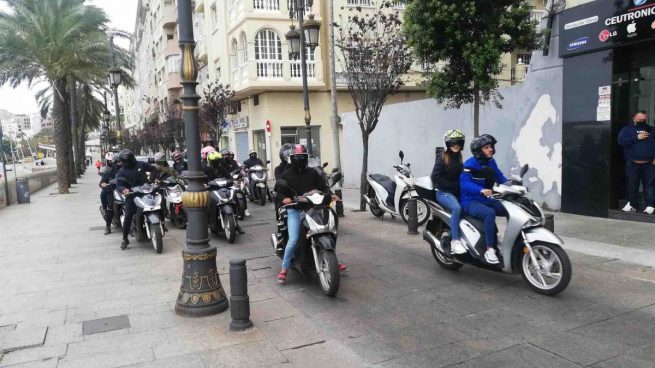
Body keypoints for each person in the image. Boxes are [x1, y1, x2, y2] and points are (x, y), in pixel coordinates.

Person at [275, 144, 345, 283]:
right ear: (291, 158)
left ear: (307, 158)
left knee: (328, 230)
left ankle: (331, 259)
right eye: (297, 157)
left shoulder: (313, 173)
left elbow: (323, 187)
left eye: (303, 157)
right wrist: (285, 199)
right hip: (295, 208)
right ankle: (284, 268)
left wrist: (330, 195)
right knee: (294, 238)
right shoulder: (286, 174)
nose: (300, 159)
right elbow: (279, 191)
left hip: (313, 207)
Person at [459, 134, 508, 265]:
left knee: (510, 209)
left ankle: (508, 242)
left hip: (486, 199)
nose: (490, 149)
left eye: (491, 146)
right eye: (486, 147)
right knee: (489, 213)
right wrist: (480, 190)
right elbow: (464, 183)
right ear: (479, 150)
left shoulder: (491, 161)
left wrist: (514, 185)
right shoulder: (470, 163)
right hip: (470, 201)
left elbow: (500, 177)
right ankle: (490, 249)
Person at [431, 129, 467, 255]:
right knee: (457, 208)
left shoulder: (459, 157)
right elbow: (434, 177)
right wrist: (453, 186)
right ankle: (455, 241)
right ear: (447, 144)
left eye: (459, 143)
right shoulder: (442, 158)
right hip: (443, 192)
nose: (456, 145)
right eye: (453, 143)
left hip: (456, 192)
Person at [115, 149, 158, 250]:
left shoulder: (141, 164)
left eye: (130, 157)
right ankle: (125, 239)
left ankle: (161, 223)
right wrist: (124, 190)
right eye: (127, 159)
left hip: (146, 191)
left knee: (159, 201)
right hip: (132, 194)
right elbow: (119, 185)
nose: (130, 160)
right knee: (128, 215)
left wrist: (152, 180)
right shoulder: (121, 171)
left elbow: (153, 169)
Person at [618, 110, 655, 214]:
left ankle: (650, 205)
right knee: (632, 184)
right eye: (640, 119)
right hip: (632, 163)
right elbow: (621, 141)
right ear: (634, 119)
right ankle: (631, 204)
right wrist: (637, 137)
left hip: (649, 164)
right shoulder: (627, 130)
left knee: (649, 185)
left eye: (644, 119)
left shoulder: (651, 130)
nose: (642, 121)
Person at [99, 153, 121, 235]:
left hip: (126, 190)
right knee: (111, 206)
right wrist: (103, 183)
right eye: (118, 162)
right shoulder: (110, 171)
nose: (120, 163)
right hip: (113, 190)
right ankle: (107, 227)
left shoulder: (128, 169)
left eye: (121, 161)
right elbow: (103, 180)